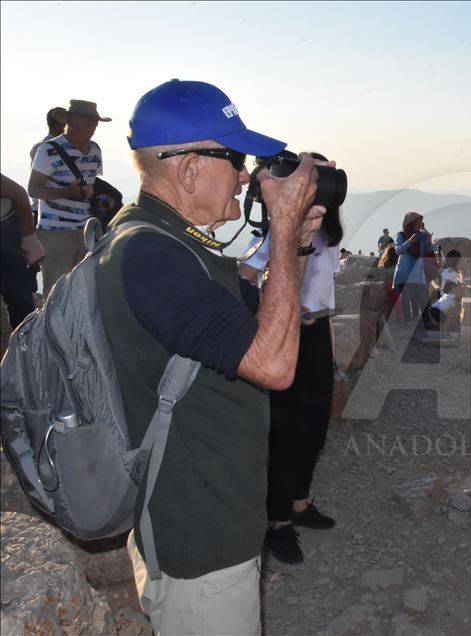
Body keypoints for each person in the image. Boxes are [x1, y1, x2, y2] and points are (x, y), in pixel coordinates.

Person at [101, 79, 324, 635]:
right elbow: (273, 365)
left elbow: (252, 329)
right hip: (198, 541)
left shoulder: (168, 241)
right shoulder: (151, 254)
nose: (247, 175)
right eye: (237, 159)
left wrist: (290, 247)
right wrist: (285, 231)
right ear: (189, 169)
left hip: (207, 515)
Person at [239, 201, 344, 565]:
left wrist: (330, 355)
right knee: (286, 433)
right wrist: (276, 310)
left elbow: (325, 299)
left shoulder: (329, 237)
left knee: (314, 428)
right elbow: (245, 274)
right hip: (286, 334)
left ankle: (299, 504)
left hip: (318, 334)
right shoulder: (279, 231)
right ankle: (278, 524)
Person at [28, 100, 111, 295]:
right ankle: (50, 326)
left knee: (82, 292)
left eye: (95, 123)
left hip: (86, 231)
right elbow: (34, 189)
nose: (92, 127)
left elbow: (92, 186)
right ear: (71, 121)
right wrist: (69, 192)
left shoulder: (95, 150)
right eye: (88, 122)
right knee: (55, 294)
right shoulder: (48, 150)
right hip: (56, 233)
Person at [1, 174, 43, 331]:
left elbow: (18, 193)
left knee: (21, 308)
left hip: (7, 242)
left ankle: (25, 349)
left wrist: (29, 239)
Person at [394, 211, 432, 327]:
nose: (420, 224)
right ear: (410, 223)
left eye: (421, 221)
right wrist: (409, 241)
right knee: (406, 298)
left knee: (423, 297)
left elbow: (428, 251)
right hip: (405, 272)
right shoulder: (401, 235)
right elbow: (398, 250)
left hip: (418, 272)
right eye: (417, 221)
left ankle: (427, 322)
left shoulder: (422, 235)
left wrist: (428, 242)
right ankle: (407, 322)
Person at [377, 244, 402, 321]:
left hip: (383, 287)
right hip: (392, 286)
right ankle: (399, 319)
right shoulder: (397, 266)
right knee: (397, 302)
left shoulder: (383, 265)